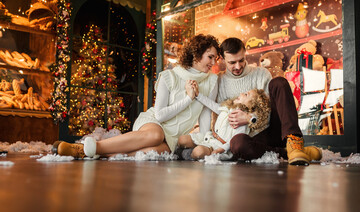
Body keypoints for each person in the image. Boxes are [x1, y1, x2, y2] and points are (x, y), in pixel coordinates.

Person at [53, 34, 220, 158]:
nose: (213, 63)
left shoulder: (212, 80)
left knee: (152, 152)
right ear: (196, 54)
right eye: (210, 57)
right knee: (156, 136)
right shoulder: (169, 76)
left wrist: (206, 142)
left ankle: (98, 154)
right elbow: (161, 115)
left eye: (216, 58)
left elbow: (205, 113)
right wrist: (188, 99)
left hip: (173, 138)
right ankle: (86, 148)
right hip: (155, 124)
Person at [217, 37, 321, 165]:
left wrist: (251, 118)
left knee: (279, 82)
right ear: (223, 59)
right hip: (251, 139)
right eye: (232, 63)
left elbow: (268, 109)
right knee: (238, 144)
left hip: (271, 130)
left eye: (241, 60)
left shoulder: (261, 73)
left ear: (245, 54)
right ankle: (287, 153)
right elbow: (220, 116)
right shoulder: (220, 81)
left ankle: (294, 142)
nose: (238, 66)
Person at [177, 87, 270, 160]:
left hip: (218, 147)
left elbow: (232, 141)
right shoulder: (228, 108)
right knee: (182, 139)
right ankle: (191, 150)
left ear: (251, 105)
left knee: (198, 152)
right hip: (210, 138)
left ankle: (189, 155)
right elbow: (212, 105)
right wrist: (198, 95)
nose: (241, 93)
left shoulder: (241, 122)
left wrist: (219, 150)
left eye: (246, 95)